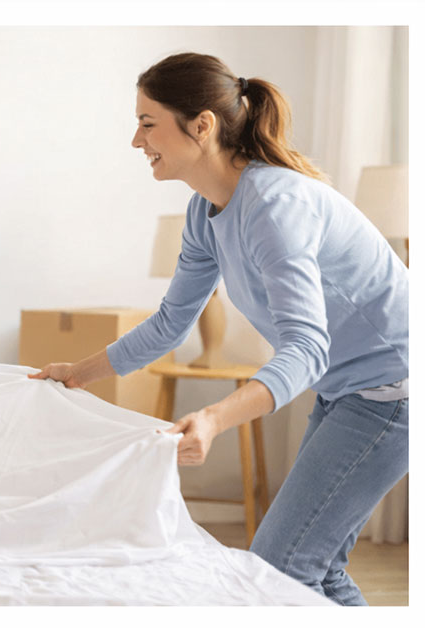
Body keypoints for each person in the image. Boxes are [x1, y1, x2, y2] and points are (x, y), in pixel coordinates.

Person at [28, 52, 408, 605]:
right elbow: (169, 324)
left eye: (147, 122)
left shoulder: (276, 207)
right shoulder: (204, 212)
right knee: (315, 571)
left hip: (394, 390)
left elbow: (307, 347)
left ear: (201, 125)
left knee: (281, 571)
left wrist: (213, 417)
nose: (137, 141)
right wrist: (77, 374)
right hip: (349, 387)